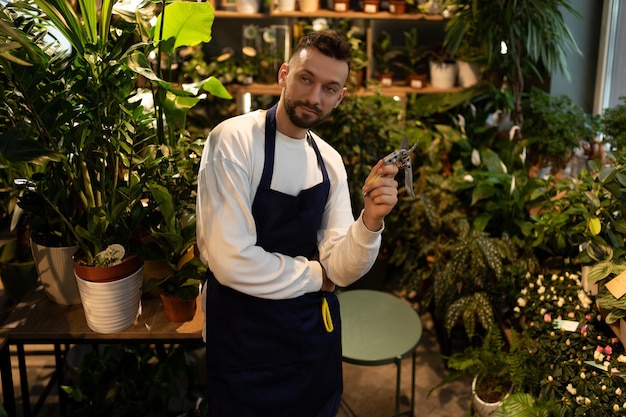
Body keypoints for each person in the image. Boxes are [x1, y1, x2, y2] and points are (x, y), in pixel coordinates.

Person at [196, 30, 399, 417]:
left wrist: (369, 221)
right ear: (284, 74)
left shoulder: (330, 162)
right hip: (244, 341)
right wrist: (316, 277)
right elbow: (231, 260)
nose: (313, 97)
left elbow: (340, 267)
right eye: (306, 78)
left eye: (329, 88)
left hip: (309, 343)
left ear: (339, 98)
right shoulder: (235, 141)